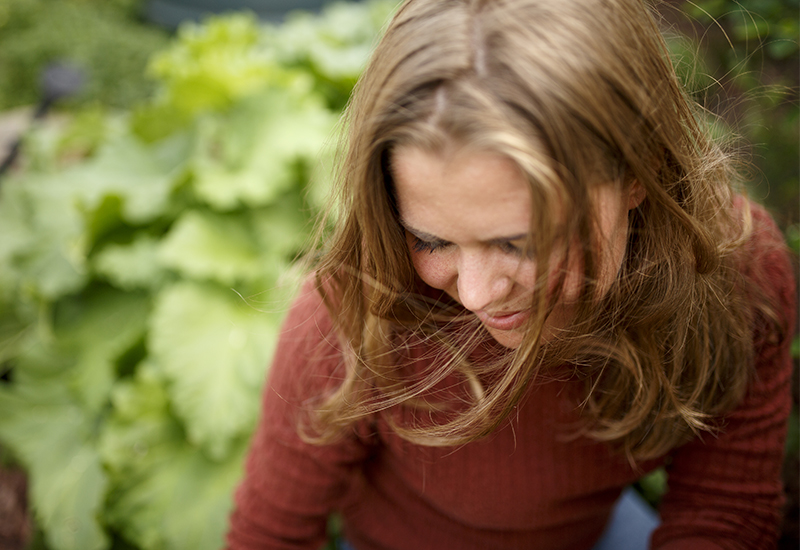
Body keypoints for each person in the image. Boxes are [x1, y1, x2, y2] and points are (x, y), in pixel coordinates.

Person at [225, 0, 796, 548]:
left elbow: (723, 510)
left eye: (519, 244)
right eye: (430, 239)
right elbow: (269, 535)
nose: (475, 294)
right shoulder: (354, 316)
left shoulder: (735, 272)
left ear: (637, 174)